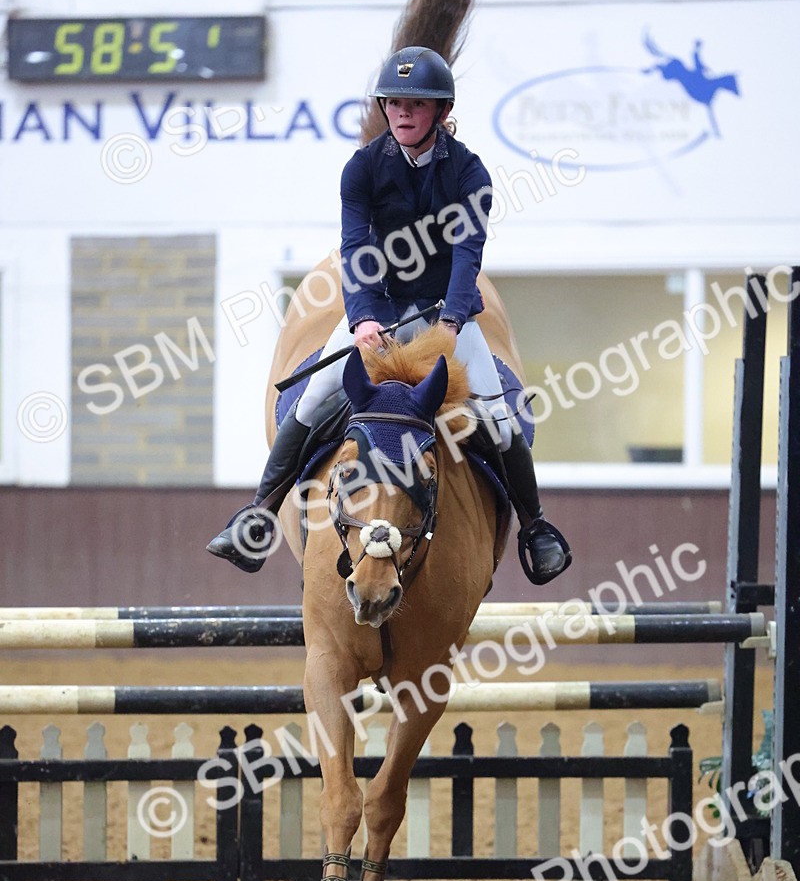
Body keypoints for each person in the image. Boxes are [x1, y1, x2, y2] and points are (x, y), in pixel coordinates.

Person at [206, 46, 571, 583]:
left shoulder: (470, 172)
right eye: (394, 102)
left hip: (448, 313)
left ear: (441, 111)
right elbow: (355, 249)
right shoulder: (362, 169)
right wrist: (361, 321)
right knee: (311, 400)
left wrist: (450, 324)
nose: (401, 112)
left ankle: (535, 528)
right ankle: (259, 515)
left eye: (414, 104)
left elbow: (468, 254)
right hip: (379, 311)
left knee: (498, 415)